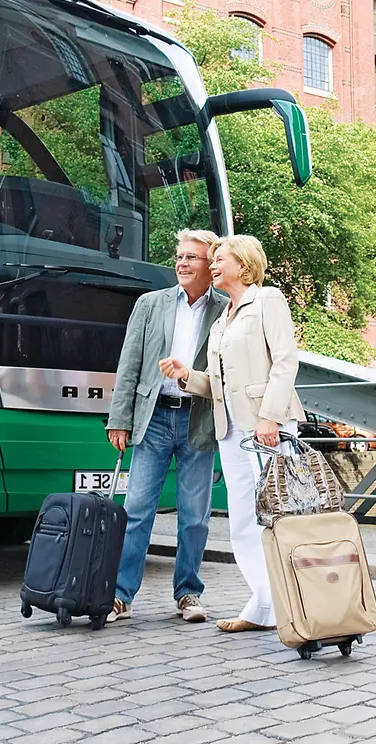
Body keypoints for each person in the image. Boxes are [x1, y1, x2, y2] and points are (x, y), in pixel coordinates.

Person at [159, 234, 305, 633]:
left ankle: (296, 605)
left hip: (266, 425)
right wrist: (187, 376)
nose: (213, 264)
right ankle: (264, 605)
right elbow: (220, 384)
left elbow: (285, 363)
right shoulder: (224, 316)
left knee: (278, 518)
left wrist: (271, 418)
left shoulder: (268, 301)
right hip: (231, 430)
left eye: (220, 258)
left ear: (243, 265)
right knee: (243, 520)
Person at [105, 229, 227, 623]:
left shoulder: (226, 309)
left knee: (195, 515)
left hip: (199, 419)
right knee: (138, 509)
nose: (182, 263)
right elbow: (129, 365)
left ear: (211, 265)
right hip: (154, 415)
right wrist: (119, 418)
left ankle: (188, 593)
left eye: (192, 257)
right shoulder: (149, 304)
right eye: (179, 256)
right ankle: (120, 595)